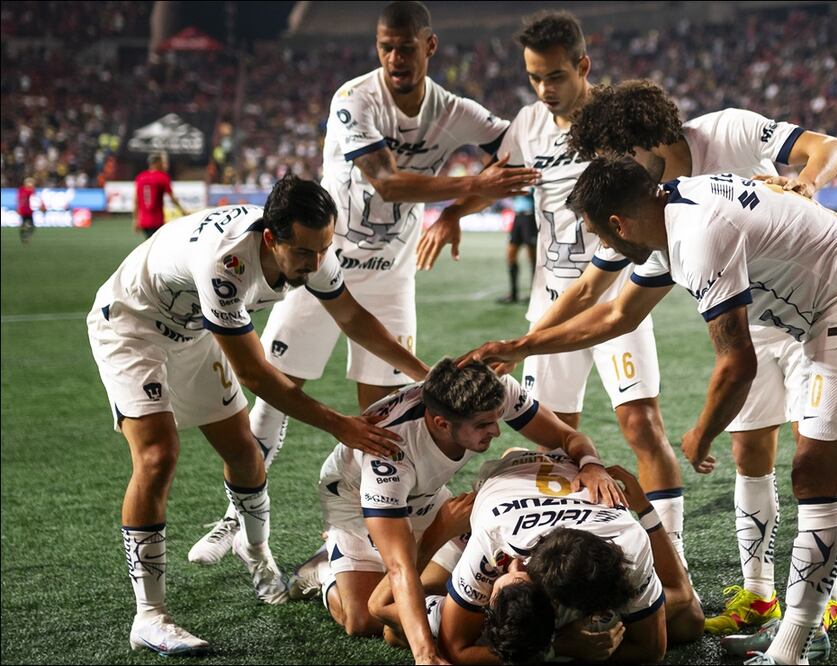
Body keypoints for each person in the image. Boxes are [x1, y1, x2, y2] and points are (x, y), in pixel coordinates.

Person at [464, 156, 837, 665]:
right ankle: (803, 625)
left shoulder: (697, 235)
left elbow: (737, 362)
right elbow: (616, 314)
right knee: (825, 471)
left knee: (815, 472)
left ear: (617, 224)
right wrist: (521, 345)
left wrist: (701, 434)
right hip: (829, 314)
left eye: (601, 235)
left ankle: (792, 649)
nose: (606, 249)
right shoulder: (669, 214)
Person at [188, 0, 536, 565]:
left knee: (388, 414)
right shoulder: (354, 99)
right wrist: (474, 183)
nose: (395, 57)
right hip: (324, 268)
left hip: (392, 278)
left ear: (430, 46)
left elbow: (514, 159)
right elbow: (388, 182)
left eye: (405, 46)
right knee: (279, 389)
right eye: (385, 46)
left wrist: (455, 213)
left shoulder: (455, 112)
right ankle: (236, 519)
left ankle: (363, 533)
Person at [86, 174, 429, 656]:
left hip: (191, 334)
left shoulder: (314, 252)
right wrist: (342, 425)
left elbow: (352, 318)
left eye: (324, 249)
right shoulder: (225, 264)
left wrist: (424, 373)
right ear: (271, 238)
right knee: (159, 455)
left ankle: (255, 550)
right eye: (305, 253)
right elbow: (256, 375)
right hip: (132, 325)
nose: (316, 264)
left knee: (246, 453)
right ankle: (149, 616)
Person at [563, 79, 837, 637]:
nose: (612, 167)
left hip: (807, 302)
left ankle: (823, 599)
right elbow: (596, 295)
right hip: (747, 317)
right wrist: (519, 345)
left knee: (816, 453)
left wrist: (805, 182)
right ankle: (761, 595)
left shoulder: (727, 130)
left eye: (614, 154)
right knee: (749, 450)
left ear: (638, 142)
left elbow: (829, 146)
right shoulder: (643, 202)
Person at [417, 10, 690, 571]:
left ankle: (670, 559)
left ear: (583, 66)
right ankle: (555, 556)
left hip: (615, 294)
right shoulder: (527, 123)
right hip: (552, 299)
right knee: (556, 436)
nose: (544, 90)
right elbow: (499, 177)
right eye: (535, 77)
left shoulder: (616, 125)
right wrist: (453, 212)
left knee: (640, 422)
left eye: (556, 77)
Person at [303, 358, 622, 665]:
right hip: (356, 500)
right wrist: (425, 655)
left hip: (425, 491)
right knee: (361, 619)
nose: (496, 431)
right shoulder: (388, 455)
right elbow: (400, 566)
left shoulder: (490, 389)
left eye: (497, 418)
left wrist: (591, 465)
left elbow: (566, 436)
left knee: (435, 594)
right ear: (441, 422)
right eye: (484, 424)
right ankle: (324, 567)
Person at [437, 451, 704, 664]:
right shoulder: (496, 541)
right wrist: (559, 648)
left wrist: (645, 509)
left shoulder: (628, 540)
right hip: (510, 476)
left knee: (688, 622)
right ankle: (518, 453)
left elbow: (653, 649)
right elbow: (455, 650)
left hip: (561, 477)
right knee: (420, 605)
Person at [133, 152, 188, 238]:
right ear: (157, 163)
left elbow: (136, 200)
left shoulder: (140, 177)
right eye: (163, 162)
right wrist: (183, 211)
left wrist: (136, 219)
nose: (165, 165)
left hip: (144, 221)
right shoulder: (162, 177)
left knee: (150, 243)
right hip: (156, 221)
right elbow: (172, 198)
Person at [498, 193, 537, 304]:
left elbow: (530, 191)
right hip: (517, 216)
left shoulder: (534, 177)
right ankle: (513, 293)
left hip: (530, 216)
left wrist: (517, 188)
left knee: (532, 258)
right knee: (510, 255)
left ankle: (534, 294)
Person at [16, 177, 44, 244]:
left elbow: (34, 200)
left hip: (29, 210)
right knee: (27, 224)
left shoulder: (28, 190)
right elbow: (21, 200)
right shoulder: (25, 190)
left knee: (29, 225)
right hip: (25, 210)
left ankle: (25, 236)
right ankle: (24, 236)